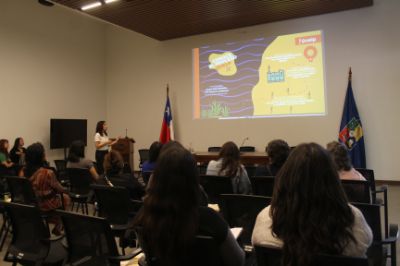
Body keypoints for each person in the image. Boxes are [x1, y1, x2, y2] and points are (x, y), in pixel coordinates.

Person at [252, 143, 372, 266]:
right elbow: (365, 244)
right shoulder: (353, 219)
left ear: (286, 177)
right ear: (333, 180)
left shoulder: (265, 218)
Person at [134, 144, 245, 266]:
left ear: (156, 178)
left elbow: (148, 257)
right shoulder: (211, 219)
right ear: (194, 180)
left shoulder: (145, 215)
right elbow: (238, 261)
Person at [22, 142, 70, 235]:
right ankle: (59, 225)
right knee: (65, 197)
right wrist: (67, 190)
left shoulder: (22, 171)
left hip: (30, 203)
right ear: (40, 156)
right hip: (46, 205)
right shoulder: (48, 172)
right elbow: (59, 189)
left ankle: (53, 223)